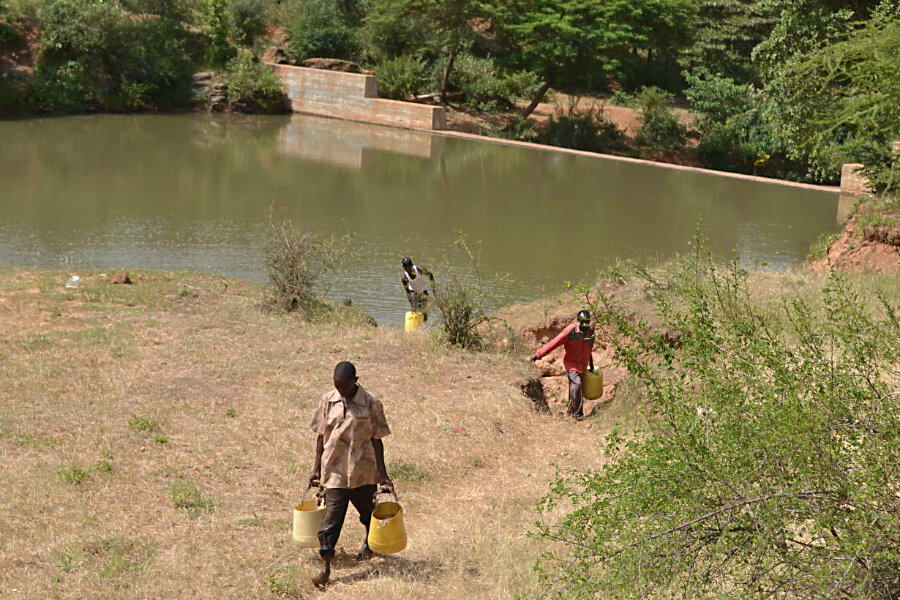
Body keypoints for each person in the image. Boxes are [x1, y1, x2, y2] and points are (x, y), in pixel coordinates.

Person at [308, 361, 393, 588]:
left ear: (356, 381)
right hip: (335, 470)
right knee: (331, 520)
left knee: (368, 512)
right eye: (337, 385)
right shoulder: (328, 400)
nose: (341, 391)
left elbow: (377, 440)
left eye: (344, 386)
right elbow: (320, 436)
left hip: (363, 470)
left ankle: (369, 543)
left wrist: (382, 474)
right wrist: (316, 468)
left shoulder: (371, 403)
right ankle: (326, 567)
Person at [531, 310, 595, 420]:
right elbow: (554, 343)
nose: (584, 325)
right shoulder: (570, 331)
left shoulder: (590, 332)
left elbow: (589, 349)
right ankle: (577, 415)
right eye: (582, 322)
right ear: (578, 321)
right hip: (571, 362)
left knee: (574, 387)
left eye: (586, 322)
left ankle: (571, 411)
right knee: (577, 384)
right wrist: (538, 355)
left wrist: (591, 365)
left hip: (582, 364)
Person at [400, 257, 434, 321]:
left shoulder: (419, 269)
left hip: (424, 292)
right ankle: (416, 328)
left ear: (412, 265)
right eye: (405, 267)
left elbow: (430, 274)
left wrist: (434, 288)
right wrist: (412, 306)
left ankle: (422, 327)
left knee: (424, 313)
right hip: (414, 292)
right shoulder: (404, 278)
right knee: (414, 312)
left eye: (408, 267)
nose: (407, 269)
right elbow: (408, 292)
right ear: (403, 268)